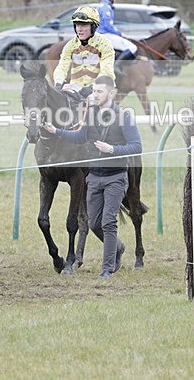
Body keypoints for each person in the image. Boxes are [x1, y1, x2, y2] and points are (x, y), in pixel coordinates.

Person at [42, 75, 142, 277]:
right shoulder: (90, 116)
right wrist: (56, 131)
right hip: (94, 178)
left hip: (115, 176)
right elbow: (80, 137)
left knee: (107, 222)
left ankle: (107, 270)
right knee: (94, 223)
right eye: (94, 91)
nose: (94, 95)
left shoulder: (124, 117)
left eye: (99, 92)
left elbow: (137, 146)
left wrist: (112, 149)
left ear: (111, 93)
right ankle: (118, 247)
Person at [53, 5, 115, 93]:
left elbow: (107, 71)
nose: (79, 29)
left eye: (84, 25)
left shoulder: (105, 44)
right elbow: (62, 67)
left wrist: (92, 88)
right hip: (76, 90)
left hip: (101, 90)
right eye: (77, 25)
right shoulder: (70, 45)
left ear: (93, 26)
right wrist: (58, 83)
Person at [96, 0, 137, 82]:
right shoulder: (106, 8)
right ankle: (116, 66)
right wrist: (119, 33)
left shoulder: (100, 6)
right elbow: (107, 26)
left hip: (99, 34)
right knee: (132, 48)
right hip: (105, 35)